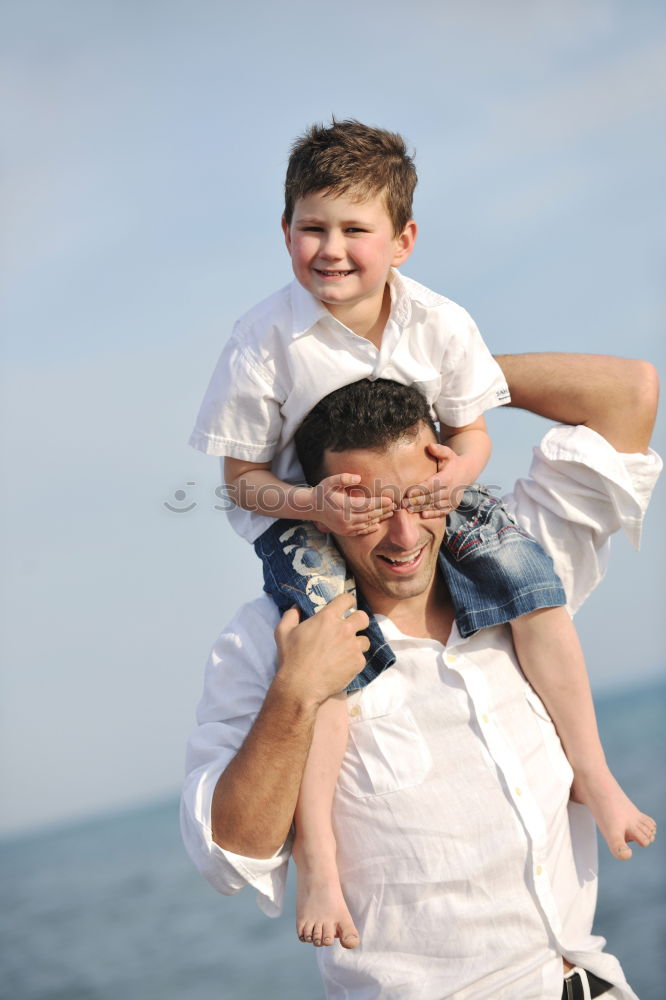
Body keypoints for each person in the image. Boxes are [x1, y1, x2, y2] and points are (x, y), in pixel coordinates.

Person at [188, 119, 655, 949]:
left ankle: (596, 774)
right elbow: (238, 481)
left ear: (403, 239)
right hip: (310, 517)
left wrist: (450, 473)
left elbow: (482, 431)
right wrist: (318, 507)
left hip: (439, 485)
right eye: (311, 228)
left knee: (535, 592)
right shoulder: (262, 341)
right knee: (335, 664)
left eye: (355, 230)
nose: (331, 251)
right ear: (285, 231)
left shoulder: (441, 323)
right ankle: (323, 864)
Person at [181, 354, 660, 1000]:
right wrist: (296, 693)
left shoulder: (512, 570)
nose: (404, 534)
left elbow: (629, 394)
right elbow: (228, 855)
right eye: (369, 507)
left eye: (418, 497)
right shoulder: (271, 639)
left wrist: (436, 376)